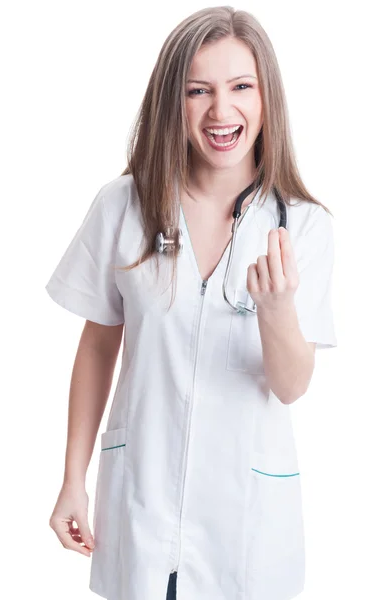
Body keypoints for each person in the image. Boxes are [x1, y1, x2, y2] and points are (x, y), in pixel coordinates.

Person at [46, 6, 337, 600]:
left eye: (240, 87)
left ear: (266, 99)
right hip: (142, 506)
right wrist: (72, 478)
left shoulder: (303, 226)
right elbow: (99, 345)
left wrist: (277, 310)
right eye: (197, 90)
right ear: (170, 102)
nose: (220, 111)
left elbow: (291, 385)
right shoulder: (122, 206)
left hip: (247, 523)